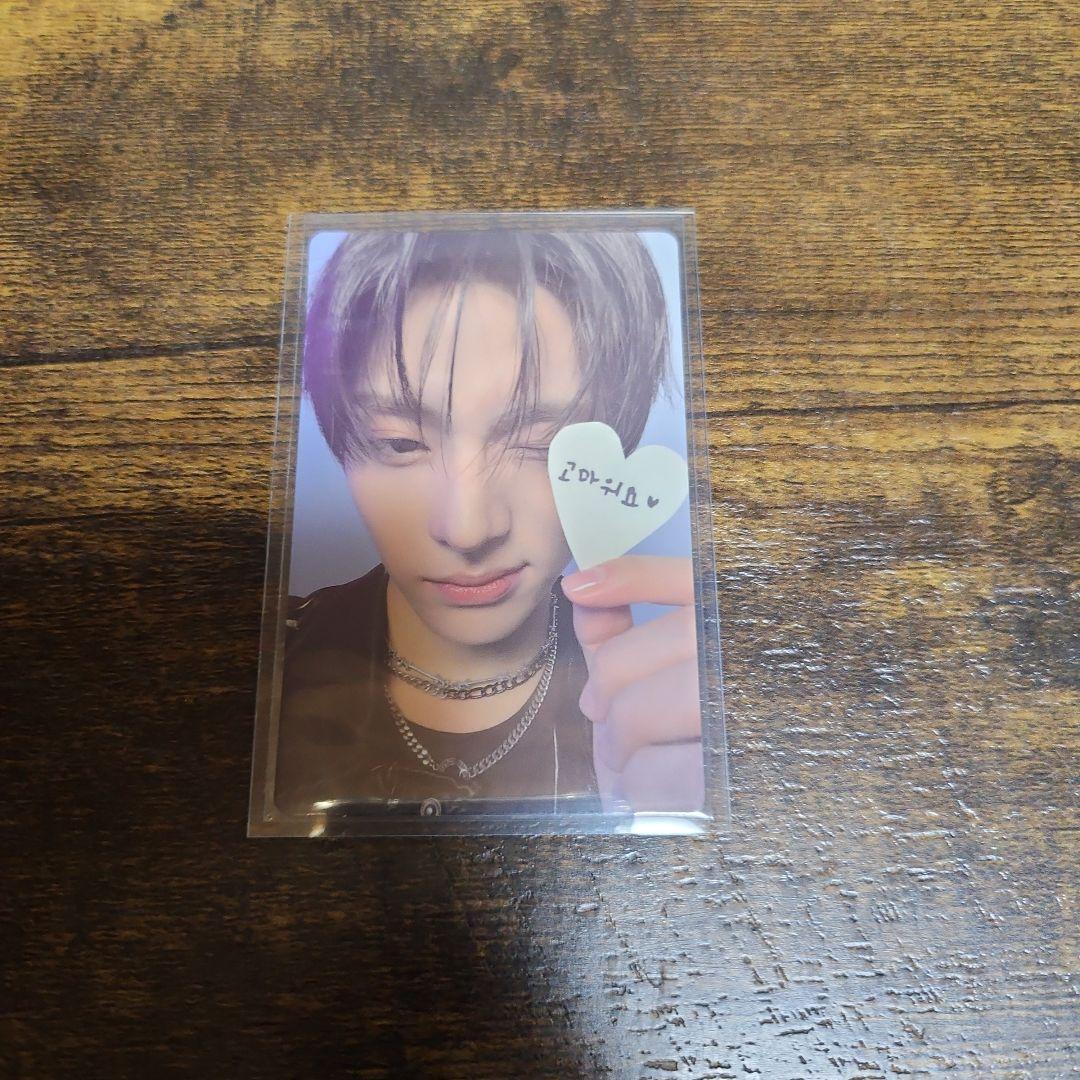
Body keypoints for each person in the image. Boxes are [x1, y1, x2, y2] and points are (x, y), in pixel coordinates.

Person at [275, 228, 703, 820]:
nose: (468, 530)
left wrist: (665, 817)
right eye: (399, 442)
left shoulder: (673, 699)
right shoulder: (265, 667)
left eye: (542, 443)